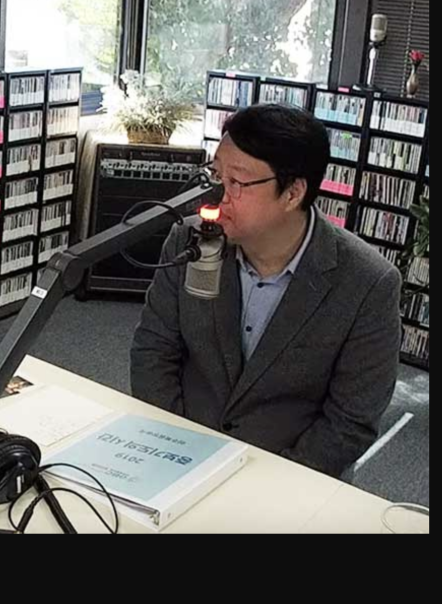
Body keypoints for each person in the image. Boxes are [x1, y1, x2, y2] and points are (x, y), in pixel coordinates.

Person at [130, 103, 401, 477]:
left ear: (292, 193)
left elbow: (350, 421)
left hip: (289, 479)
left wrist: (268, 483)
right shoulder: (189, 241)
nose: (217, 195)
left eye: (236, 182)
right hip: (180, 455)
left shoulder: (368, 283)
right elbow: (153, 350)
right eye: (215, 174)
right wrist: (173, 446)